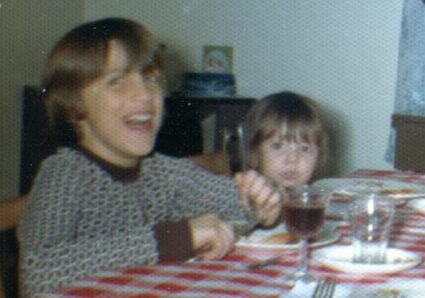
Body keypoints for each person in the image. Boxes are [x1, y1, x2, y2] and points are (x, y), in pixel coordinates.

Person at [18, 18, 282, 296]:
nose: (144, 94)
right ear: (74, 105)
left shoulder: (163, 173)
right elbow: (38, 272)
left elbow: (235, 204)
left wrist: (261, 202)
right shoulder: (64, 174)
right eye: (117, 81)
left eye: (151, 79)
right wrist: (171, 239)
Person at [242, 91, 328, 188]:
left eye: (305, 149)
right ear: (255, 153)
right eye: (277, 146)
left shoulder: (317, 199)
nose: (292, 159)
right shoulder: (242, 195)